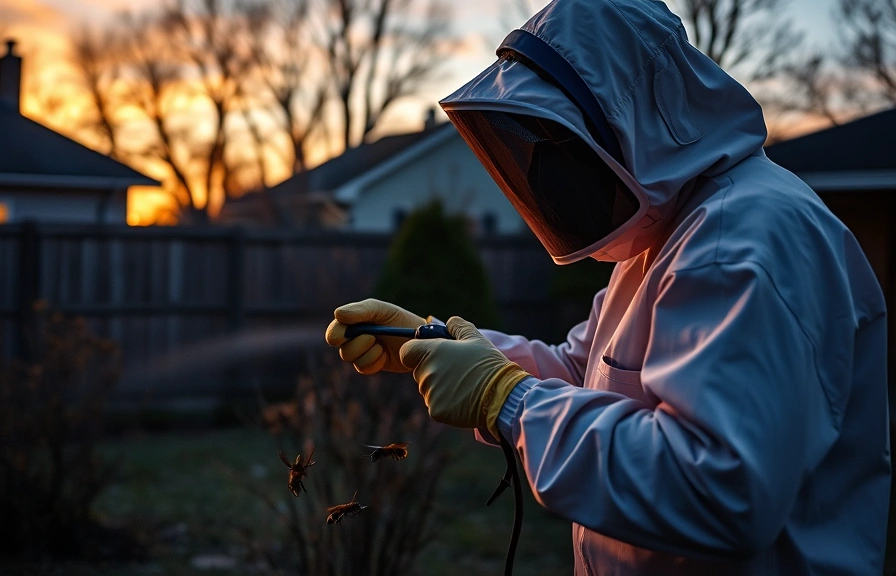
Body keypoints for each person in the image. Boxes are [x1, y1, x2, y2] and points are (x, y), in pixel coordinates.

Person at [325, 0, 890, 573]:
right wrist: (438, 342)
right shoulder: (668, 234)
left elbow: (719, 490)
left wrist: (508, 400)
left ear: (636, 116)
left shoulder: (741, 238)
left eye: (563, 142)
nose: (555, 175)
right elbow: (587, 373)